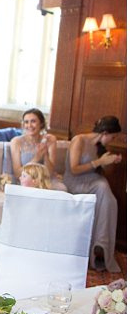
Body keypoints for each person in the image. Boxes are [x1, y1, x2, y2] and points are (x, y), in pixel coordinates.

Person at [63, 116, 122, 272]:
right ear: (105, 132)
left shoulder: (99, 146)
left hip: (93, 181)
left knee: (108, 198)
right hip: (75, 182)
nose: (112, 140)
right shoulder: (79, 140)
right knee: (104, 190)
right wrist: (99, 162)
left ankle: (101, 247)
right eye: (113, 137)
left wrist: (111, 162)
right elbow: (74, 169)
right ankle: (99, 246)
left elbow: (101, 171)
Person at [0, 162, 52, 270]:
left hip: (30, 230)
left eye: (24, 176)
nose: (19, 178)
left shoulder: (42, 197)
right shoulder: (21, 193)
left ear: (35, 180)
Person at [9, 108, 66, 191]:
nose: (29, 125)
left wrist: (45, 154)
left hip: (45, 180)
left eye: (33, 121)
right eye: (26, 122)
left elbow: (49, 173)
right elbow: (18, 174)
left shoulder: (50, 139)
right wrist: (37, 157)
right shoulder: (16, 141)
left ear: (41, 123)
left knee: (62, 189)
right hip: (26, 181)